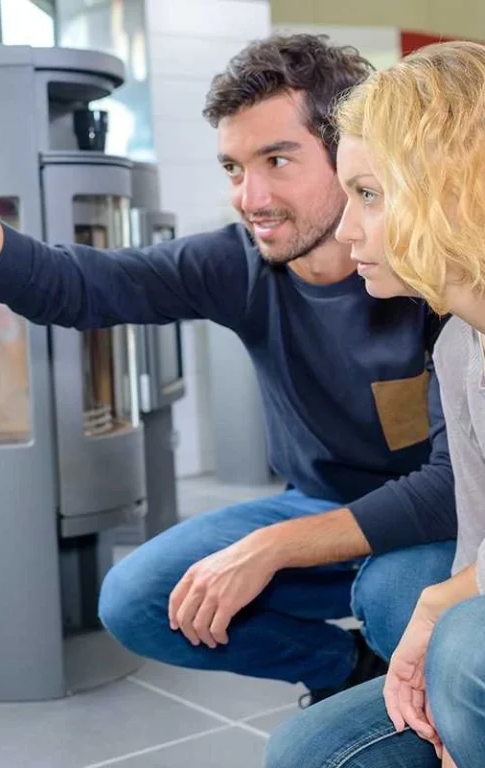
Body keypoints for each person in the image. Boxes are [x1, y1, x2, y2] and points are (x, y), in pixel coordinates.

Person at [0, 34, 457, 704]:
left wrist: (274, 548)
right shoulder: (238, 265)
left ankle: (417, 722)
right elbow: (63, 285)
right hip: (317, 503)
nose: (252, 197)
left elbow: (454, 487)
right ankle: (349, 670)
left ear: (349, 154)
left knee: (397, 594)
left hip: (434, 526)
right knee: (137, 599)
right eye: (233, 169)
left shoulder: (430, 275)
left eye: (278, 160)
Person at [265, 40, 485, 768]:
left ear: (449, 187)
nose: (348, 227)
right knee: (307, 753)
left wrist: (441, 619)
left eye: (368, 194)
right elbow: (476, 534)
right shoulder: (457, 345)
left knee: (459, 639)